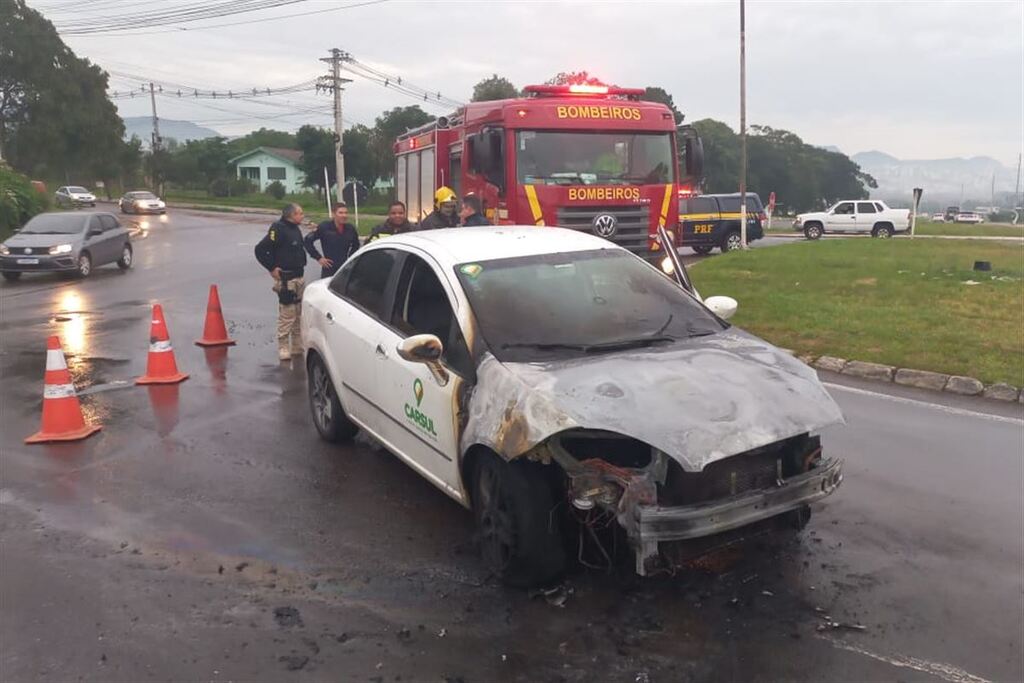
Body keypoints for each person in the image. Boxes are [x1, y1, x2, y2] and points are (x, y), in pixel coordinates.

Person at [254, 203, 308, 361]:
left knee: (298, 314)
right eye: (300, 213)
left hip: (299, 277)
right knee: (287, 315)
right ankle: (283, 346)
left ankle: (297, 345)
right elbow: (260, 249)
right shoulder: (278, 229)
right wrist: (271, 267)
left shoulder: (295, 229)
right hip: (286, 279)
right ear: (291, 215)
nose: (302, 216)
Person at [304, 201, 360, 279]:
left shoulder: (350, 229)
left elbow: (356, 245)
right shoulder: (324, 227)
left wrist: (350, 259)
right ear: (333, 214)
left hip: (345, 268)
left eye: (346, 213)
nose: (344, 215)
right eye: (340, 213)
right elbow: (307, 241)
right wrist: (318, 258)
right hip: (329, 268)